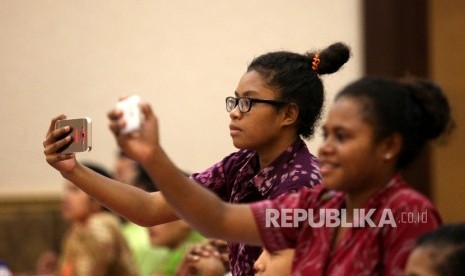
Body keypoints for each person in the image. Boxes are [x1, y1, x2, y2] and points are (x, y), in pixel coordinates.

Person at [51, 76, 452, 274]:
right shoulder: (317, 202)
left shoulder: (403, 212)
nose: (326, 147)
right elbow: (212, 217)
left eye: (343, 137)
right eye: (327, 134)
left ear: (389, 146)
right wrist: (146, 157)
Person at [43, 42, 350, 275]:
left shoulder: (303, 182)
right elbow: (150, 208)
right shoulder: (240, 165)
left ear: (288, 113)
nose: (234, 111)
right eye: (235, 100)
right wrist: (74, 171)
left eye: (248, 102)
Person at [57, 163, 138, 276]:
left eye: (75, 190)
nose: (66, 197)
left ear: (97, 197)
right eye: (67, 190)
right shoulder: (77, 230)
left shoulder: (101, 225)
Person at [114, 152, 170, 276]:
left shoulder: (138, 239)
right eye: (115, 176)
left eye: (120, 175)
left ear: (142, 188)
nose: (116, 183)